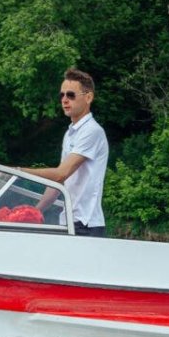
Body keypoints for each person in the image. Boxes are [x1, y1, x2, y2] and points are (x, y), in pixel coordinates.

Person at [17, 68, 109, 236]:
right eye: (62, 95)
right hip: (68, 222)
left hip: (86, 224)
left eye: (71, 95)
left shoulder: (92, 131)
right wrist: (35, 212)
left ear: (88, 97)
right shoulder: (70, 133)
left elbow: (61, 174)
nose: (65, 100)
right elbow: (59, 182)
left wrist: (19, 171)